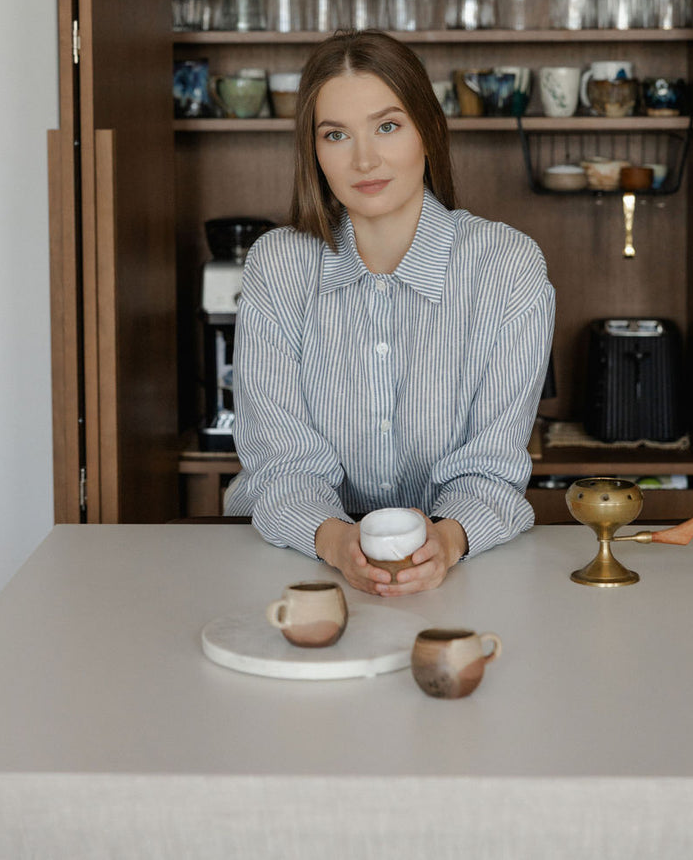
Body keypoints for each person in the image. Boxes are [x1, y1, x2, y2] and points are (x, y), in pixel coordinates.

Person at [224, 30, 555, 596]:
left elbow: (492, 465)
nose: (364, 159)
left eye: (387, 126)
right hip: (294, 567)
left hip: (457, 577)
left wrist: (447, 542)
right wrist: (334, 541)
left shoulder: (507, 268)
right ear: (313, 149)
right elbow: (280, 460)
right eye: (335, 134)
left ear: (428, 128)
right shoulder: (278, 266)